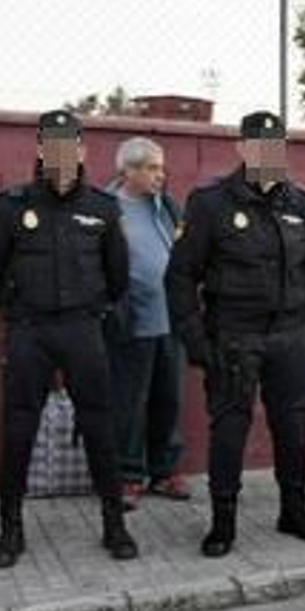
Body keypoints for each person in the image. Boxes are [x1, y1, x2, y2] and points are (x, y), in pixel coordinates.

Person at [0, 109, 138, 568]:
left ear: (82, 151)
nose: (63, 154)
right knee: (18, 430)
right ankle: (10, 528)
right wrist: (16, 310)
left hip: (83, 330)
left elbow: (118, 276)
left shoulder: (103, 209)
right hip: (30, 331)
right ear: (42, 151)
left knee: (101, 429)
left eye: (71, 145)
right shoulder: (9, 207)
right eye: (53, 145)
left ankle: (114, 523)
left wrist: (94, 310)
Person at [164, 111, 305, 554]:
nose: (267, 154)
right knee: (230, 430)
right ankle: (223, 523)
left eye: (276, 145)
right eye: (258, 145)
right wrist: (195, 340)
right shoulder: (210, 203)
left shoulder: (300, 203)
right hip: (234, 337)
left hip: (291, 335)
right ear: (242, 149)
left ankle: (293, 510)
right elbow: (180, 276)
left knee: (293, 427)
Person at [106, 136, 189, 509]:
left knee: (169, 399)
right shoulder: (107, 209)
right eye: (153, 168)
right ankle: (127, 476)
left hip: (171, 321)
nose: (161, 175)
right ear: (129, 170)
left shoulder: (168, 205)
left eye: (161, 167)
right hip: (130, 323)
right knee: (129, 402)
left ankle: (164, 471)